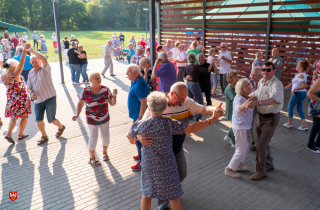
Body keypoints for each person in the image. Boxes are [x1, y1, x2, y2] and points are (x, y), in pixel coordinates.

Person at [134, 83, 225, 210]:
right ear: (171, 94)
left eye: (185, 98)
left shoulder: (186, 102)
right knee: (168, 188)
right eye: (180, 99)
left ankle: (166, 192)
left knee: (180, 174)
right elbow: (139, 127)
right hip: (162, 156)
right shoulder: (162, 112)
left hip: (174, 150)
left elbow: (204, 109)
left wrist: (214, 110)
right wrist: (139, 137)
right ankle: (164, 203)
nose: (183, 102)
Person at [247, 61, 284, 180]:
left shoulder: (277, 84)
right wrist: (245, 101)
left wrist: (257, 103)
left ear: (274, 71)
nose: (265, 72)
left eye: (268, 70)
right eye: (264, 70)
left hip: (271, 118)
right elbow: (256, 94)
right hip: (261, 116)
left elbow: (272, 99)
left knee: (261, 145)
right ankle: (269, 164)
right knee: (263, 143)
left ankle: (261, 171)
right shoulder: (261, 82)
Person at [72, 72, 117, 164]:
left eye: (99, 77)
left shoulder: (105, 89)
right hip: (91, 119)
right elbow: (80, 104)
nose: (99, 79)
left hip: (104, 118)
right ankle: (92, 159)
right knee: (93, 138)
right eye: (96, 78)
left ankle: (104, 153)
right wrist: (77, 114)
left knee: (106, 137)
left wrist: (114, 96)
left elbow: (112, 103)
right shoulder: (85, 91)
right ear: (90, 80)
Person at [27, 46, 65, 145]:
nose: (34, 64)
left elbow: (44, 58)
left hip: (50, 97)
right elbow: (28, 87)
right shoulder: (30, 73)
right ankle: (44, 136)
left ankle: (61, 127)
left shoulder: (45, 69)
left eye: (36, 62)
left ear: (40, 62)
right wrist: (31, 93)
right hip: (38, 100)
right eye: (33, 62)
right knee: (38, 119)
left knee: (51, 119)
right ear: (30, 63)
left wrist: (32, 51)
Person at [1, 44, 32, 144]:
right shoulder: (15, 74)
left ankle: (9, 133)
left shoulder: (3, 75)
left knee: (13, 118)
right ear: (14, 67)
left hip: (11, 100)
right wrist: (24, 51)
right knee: (24, 116)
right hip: (21, 99)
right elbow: (22, 62)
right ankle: (20, 133)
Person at [225, 78, 254, 178]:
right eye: (245, 86)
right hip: (239, 126)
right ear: (241, 89)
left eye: (248, 84)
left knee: (247, 143)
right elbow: (237, 109)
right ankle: (230, 168)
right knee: (241, 149)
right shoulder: (239, 98)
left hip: (244, 126)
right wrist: (245, 105)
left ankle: (237, 164)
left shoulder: (247, 96)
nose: (248, 87)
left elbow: (258, 93)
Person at [126, 64, 149, 170]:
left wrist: (140, 118)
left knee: (138, 138)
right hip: (136, 115)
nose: (126, 74)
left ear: (135, 72)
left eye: (128, 72)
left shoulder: (139, 83)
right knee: (137, 138)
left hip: (139, 117)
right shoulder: (135, 80)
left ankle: (142, 162)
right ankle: (140, 154)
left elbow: (143, 101)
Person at [283, 60, 309, 130]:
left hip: (298, 93)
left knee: (290, 107)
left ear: (300, 67)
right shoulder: (301, 74)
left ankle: (290, 123)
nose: (296, 66)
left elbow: (304, 86)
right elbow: (297, 82)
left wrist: (295, 89)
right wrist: (290, 85)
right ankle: (304, 125)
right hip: (302, 93)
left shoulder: (301, 75)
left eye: (297, 65)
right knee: (299, 108)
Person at [184, 53, 210, 121]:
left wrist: (187, 76)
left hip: (188, 84)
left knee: (189, 100)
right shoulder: (196, 66)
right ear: (195, 59)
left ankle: (189, 115)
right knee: (199, 100)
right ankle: (198, 116)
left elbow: (184, 75)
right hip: (194, 84)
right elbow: (207, 70)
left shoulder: (186, 66)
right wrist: (212, 64)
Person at [224, 70, 239, 147]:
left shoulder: (235, 86)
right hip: (231, 110)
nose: (237, 78)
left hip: (235, 109)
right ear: (230, 79)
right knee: (235, 125)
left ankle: (228, 136)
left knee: (234, 124)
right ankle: (233, 142)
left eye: (237, 76)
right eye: (235, 77)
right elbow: (235, 99)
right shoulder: (229, 89)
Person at [249, 67, 262, 151]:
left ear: (260, 76)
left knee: (255, 127)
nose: (252, 77)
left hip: (258, 109)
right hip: (250, 109)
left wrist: (249, 98)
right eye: (251, 74)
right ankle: (253, 140)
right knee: (250, 126)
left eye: (254, 75)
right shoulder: (250, 82)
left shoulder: (261, 84)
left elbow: (258, 96)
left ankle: (258, 145)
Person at [306, 78, 320, 153]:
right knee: (315, 127)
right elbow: (309, 93)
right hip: (318, 109)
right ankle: (310, 145)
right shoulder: (319, 81)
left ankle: (318, 144)